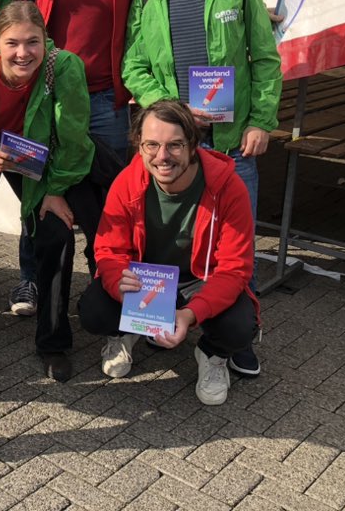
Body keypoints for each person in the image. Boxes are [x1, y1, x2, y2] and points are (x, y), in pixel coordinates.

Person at [121, 0, 282, 376]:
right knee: (169, 241)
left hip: (231, 145)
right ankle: (160, 319)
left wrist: (261, 120)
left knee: (237, 248)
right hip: (176, 148)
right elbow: (134, 65)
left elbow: (266, 60)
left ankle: (229, 340)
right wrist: (169, 111)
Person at [8, 0, 161, 316]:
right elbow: (3, 7)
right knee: (37, 189)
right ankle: (30, 280)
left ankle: (104, 281)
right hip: (44, 97)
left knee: (110, 201)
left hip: (106, 103)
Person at [0, 1, 103, 381]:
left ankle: (53, 341)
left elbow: (75, 140)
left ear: (47, 42)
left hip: (41, 160)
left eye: (33, 42)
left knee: (55, 235)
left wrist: (56, 190)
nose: (23, 52)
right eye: (12, 42)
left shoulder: (64, 68)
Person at [78, 100, 260, 406]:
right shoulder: (126, 182)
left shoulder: (229, 187)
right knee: (93, 311)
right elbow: (109, 249)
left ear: (192, 145)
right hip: (145, 282)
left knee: (240, 327)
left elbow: (234, 268)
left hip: (201, 281)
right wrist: (122, 290)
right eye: (151, 144)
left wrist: (189, 315)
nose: (162, 156)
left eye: (175, 145)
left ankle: (212, 354)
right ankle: (125, 334)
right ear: (139, 145)